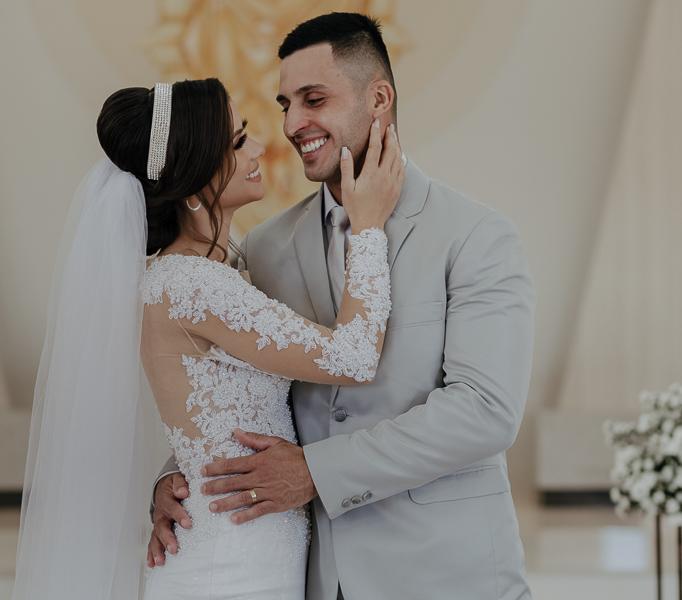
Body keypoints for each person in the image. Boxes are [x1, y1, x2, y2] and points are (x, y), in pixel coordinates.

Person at [150, 12, 536, 600]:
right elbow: (215, 377)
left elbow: (485, 411)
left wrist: (316, 472)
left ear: (378, 98)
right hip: (312, 576)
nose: (292, 124)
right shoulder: (266, 246)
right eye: (285, 104)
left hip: (447, 575)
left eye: (314, 99)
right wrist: (176, 479)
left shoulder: (477, 236)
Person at [12, 77, 403, 600]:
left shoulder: (200, 274)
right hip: (229, 572)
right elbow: (353, 357)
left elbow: (202, 426)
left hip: (246, 553)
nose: (262, 145)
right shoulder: (192, 284)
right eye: (238, 141)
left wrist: (165, 484)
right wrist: (370, 225)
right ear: (195, 186)